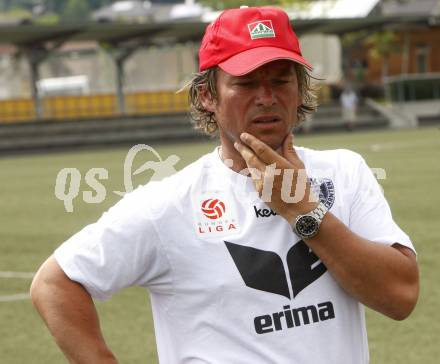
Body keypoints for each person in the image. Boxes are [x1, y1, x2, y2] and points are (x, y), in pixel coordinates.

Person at [30, 6, 419, 364]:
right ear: (207, 96)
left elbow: (400, 297)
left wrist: (303, 211)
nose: (267, 97)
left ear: (300, 90)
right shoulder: (169, 202)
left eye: (281, 80)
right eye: (246, 83)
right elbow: (54, 283)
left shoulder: (345, 173)